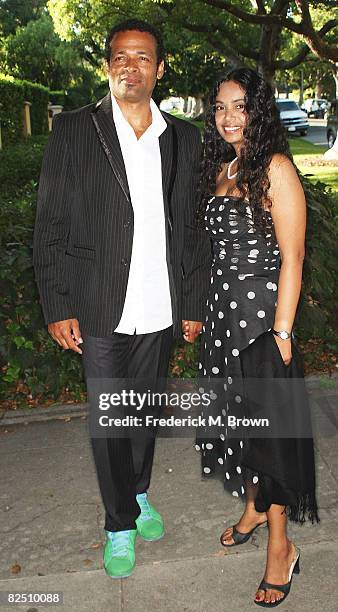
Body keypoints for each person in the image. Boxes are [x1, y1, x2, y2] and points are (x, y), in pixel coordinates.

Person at [33, 19, 210, 579]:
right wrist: (57, 301)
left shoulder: (183, 137)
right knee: (110, 419)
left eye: (142, 57)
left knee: (144, 413)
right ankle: (118, 524)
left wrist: (193, 300)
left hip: (160, 302)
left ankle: (136, 493)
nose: (130, 66)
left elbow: (191, 227)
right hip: (98, 301)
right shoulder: (76, 131)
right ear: (108, 64)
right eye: (120, 56)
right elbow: (51, 221)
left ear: (159, 68)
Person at [187, 68, 319, 607]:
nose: (229, 118)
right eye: (219, 108)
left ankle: (280, 547)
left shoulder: (277, 168)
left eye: (240, 107)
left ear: (258, 110)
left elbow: (293, 257)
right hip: (222, 318)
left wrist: (283, 329)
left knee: (269, 436)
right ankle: (253, 506)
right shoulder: (225, 166)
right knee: (236, 424)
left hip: (262, 322)